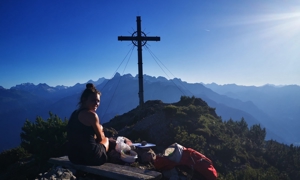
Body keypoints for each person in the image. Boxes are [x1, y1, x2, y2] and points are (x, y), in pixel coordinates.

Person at [67, 83, 110, 165]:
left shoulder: (75, 113)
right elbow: (101, 138)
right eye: (93, 100)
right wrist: (101, 130)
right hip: (91, 158)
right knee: (106, 140)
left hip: (74, 157)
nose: (96, 103)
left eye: (98, 101)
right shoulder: (92, 115)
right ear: (84, 100)